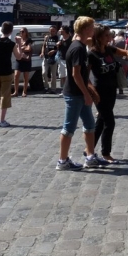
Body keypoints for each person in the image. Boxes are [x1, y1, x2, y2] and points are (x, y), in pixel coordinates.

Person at [56, 16, 103, 170]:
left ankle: (90, 156)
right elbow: (76, 75)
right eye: (92, 26)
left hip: (79, 93)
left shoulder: (80, 45)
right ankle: (62, 161)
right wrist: (87, 94)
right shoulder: (77, 48)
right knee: (68, 127)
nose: (94, 29)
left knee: (90, 125)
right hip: (75, 94)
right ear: (85, 29)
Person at [88, 24, 128, 164]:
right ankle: (106, 153)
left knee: (101, 121)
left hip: (112, 89)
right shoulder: (92, 54)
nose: (110, 37)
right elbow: (84, 76)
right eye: (107, 35)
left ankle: (89, 150)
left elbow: (123, 52)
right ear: (98, 37)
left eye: (110, 35)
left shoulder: (108, 49)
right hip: (99, 91)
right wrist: (92, 92)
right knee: (110, 122)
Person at [13, 28, 33, 97]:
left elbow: (29, 49)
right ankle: (16, 91)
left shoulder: (28, 40)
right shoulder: (18, 40)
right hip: (19, 59)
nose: (21, 33)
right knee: (16, 75)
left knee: (26, 76)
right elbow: (15, 48)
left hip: (26, 59)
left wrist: (21, 48)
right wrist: (23, 47)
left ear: (26, 32)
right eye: (20, 32)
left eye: (23, 31)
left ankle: (24, 91)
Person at [40, 26, 59, 94]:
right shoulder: (47, 37)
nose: (52, 32)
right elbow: (44, 45)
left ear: (55, 31)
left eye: (53, 31)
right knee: (44, 73)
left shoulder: (57, 38)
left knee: (53, 74)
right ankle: (46, 87)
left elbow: (59, 48)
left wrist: (54, 51)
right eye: (51, 30)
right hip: (46, 57)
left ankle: (53, 88)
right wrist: (42, 52)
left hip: (54, 57)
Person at [56, 25, 72, 93]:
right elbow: (58, 49)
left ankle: (69, 89)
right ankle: (64, 89)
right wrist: (58, 45)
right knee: (62, 75)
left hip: (68, 60)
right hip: (61, 59)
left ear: (64, 30)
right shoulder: (61, 38)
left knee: (67, 75)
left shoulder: (71, 39)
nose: (59, 30)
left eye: (61, 29)